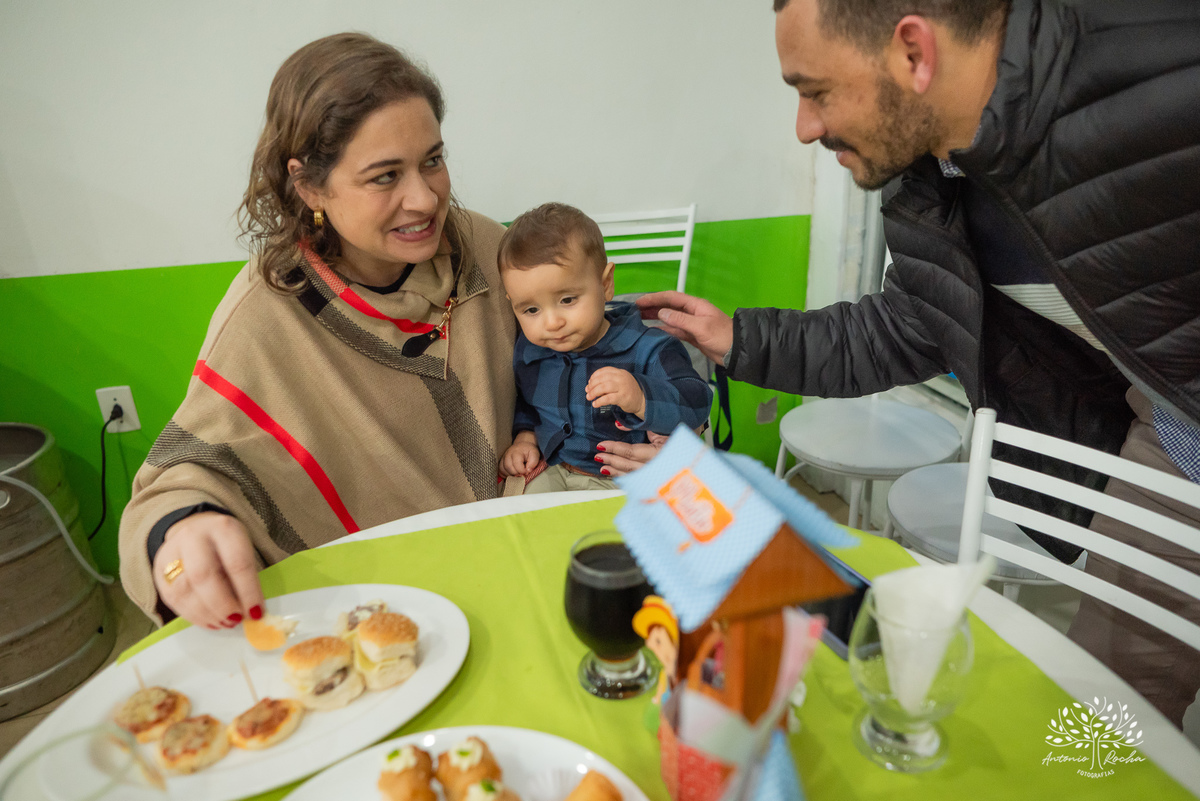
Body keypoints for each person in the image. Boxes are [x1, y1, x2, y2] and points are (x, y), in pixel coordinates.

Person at [637, 0, 1200, 727]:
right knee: (1103, 722)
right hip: (1175, 430)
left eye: (815, 91)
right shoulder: (932, 174)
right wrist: (741, 340)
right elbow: (908, 325)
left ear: (913, 53)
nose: (804, 128)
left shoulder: (1157, 77)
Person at [117, 35, 657, 629]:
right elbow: (181, 475)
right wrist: (181, 532)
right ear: (309, 186)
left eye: (432, 159)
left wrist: (652, 415)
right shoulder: (268, 315)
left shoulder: (482, 245)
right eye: (384, 176)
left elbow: (584, 355)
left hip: (532, 566)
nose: (424, 198)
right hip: (392, 614)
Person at [497, 203, 712, 493]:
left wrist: (641, 396)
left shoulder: (649, 348)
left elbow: (697, 401)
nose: (552, 323)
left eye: (568, 300)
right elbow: (527, 400)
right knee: (519, 517)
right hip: (554, 470)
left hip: (624, 477)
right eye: (531, 309)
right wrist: (525, 437)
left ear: (606, 284)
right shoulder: (531, 350)